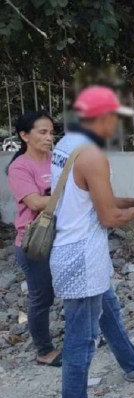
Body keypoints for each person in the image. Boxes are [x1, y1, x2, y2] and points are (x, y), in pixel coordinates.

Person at [50, 86, 134, 398]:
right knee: (83, 337)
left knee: (109, 310)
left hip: (75, 251)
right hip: (82, 258)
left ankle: (133, 363)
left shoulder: (67, 145)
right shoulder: (91, 156)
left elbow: (92, 196)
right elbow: (109, 217)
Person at [6, 111, 61, 366]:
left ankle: (88, 333)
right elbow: (35, 202)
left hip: (61, 237)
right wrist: (71, 197)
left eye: (51, 132)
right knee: (42, 297)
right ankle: (43, 350)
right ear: (24, 135)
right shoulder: (19, 167)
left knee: (78, 287)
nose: (49, 137)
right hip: (34, 243)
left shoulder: (56, 160)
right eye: (43, 132)